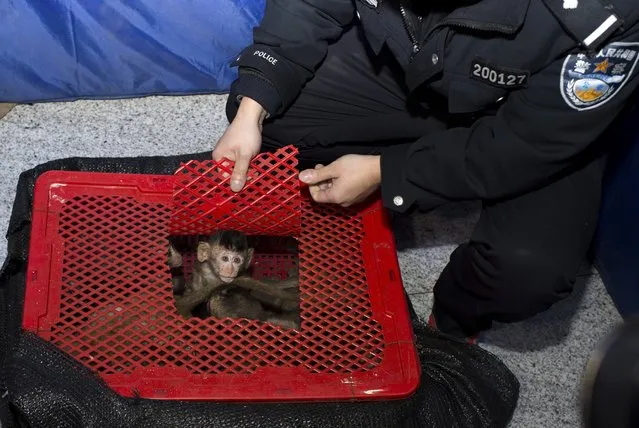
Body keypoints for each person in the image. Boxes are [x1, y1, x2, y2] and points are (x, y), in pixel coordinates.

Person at [212, 0, 639, 340]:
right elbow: (309, 6)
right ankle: (404, 157)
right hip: (417, 69)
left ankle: (453, 324)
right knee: (267, 110)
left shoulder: (606, 15)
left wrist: (388, 172)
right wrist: (253, 106)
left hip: (532, 124)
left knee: (525, 272)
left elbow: (523, 146)